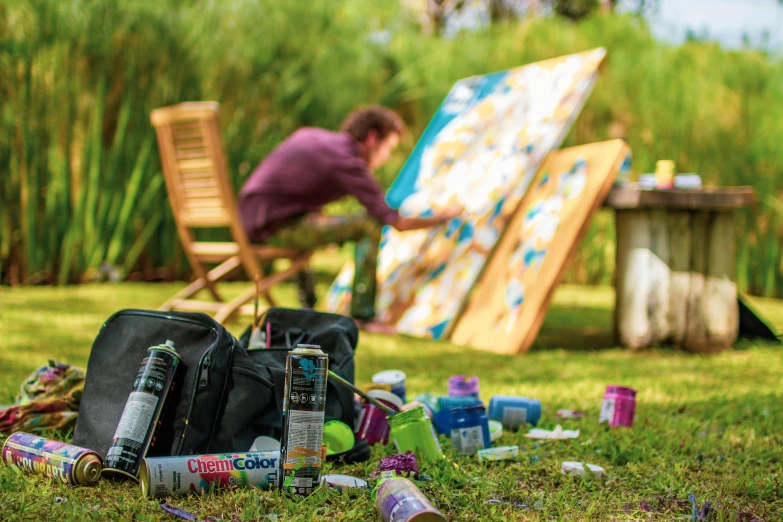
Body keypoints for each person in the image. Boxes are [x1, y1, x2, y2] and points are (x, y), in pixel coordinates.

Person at [239, 105, 461, 330]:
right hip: (271, 229)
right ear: (373, 138)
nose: (387, 157)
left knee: (327, 224)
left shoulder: (316, 138)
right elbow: (395, 222)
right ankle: (363, 316)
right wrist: (443, 217)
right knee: (368, 224)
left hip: (252, 221)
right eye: (389, 148)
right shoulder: (346, 160)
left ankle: (309, 308)